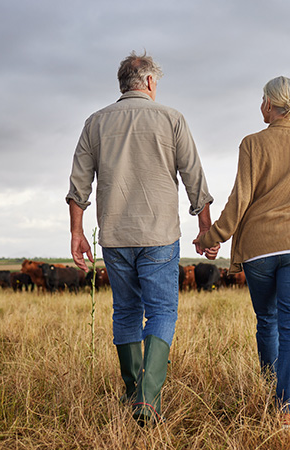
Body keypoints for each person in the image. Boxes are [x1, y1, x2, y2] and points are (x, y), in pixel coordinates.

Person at [66, 51, 214, 426]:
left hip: (115, 236)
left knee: (126, 311)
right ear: (148, 82)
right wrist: (205, 229)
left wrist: (76, 232)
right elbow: (195, 179)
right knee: (162, 311)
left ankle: (134, 391)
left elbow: (78, 185)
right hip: (160, 233)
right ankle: (148, 400)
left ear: (122, 84)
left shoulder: (94, 123)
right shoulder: (172, 118)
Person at [196, 76, 290, 430]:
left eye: (262, 100)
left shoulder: (252, 144)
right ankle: (287, 409)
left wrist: (212, 235)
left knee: (267, 320)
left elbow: (240, 199)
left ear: (269, 104)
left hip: (261, 247)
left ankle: (271, 389)